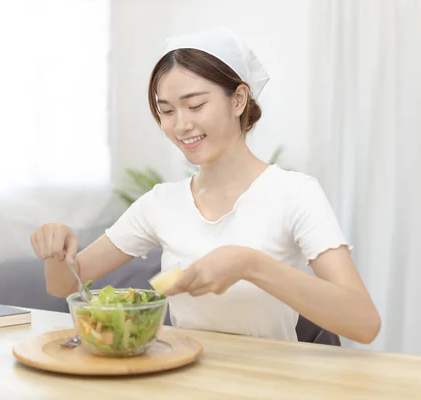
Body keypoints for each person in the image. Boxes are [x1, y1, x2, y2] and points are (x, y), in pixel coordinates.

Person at [30, 27, 381, 344]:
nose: (181, 125)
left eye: (195, 105)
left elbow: (364, 323)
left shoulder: (294, 193)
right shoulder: (161, 204)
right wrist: (55, 247)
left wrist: (249, 264)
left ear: (239, 99)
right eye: (166, 111)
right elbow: (62, 284)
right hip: (188, 380)